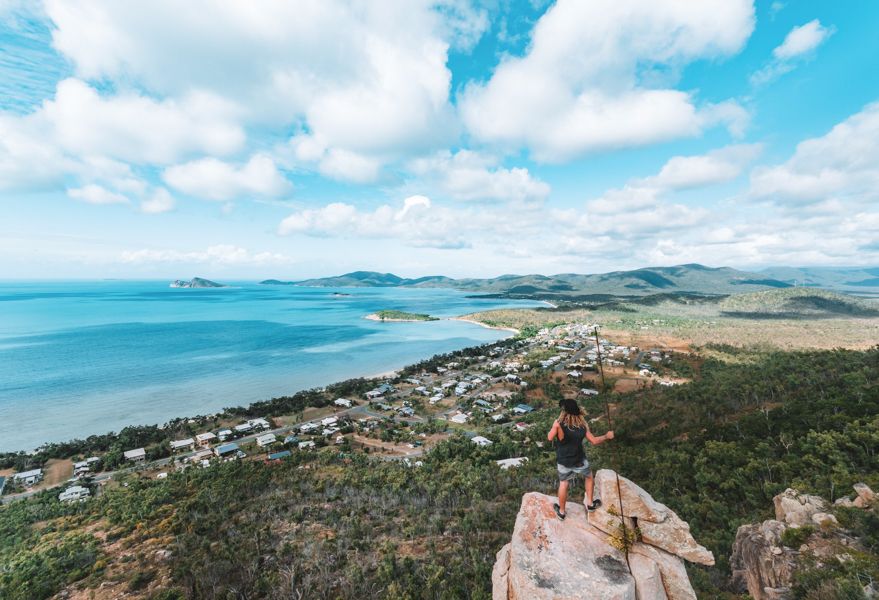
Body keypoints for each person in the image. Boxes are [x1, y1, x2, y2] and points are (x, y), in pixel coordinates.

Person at [547, 398, 614, 520]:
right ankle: (590, 503)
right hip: (579, 460)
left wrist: (554, 426)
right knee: (589, 477)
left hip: (564, 461)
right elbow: (594, 441)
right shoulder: (583, 426)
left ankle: (561, 512)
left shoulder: (559, 424)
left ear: (564, 412)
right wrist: (606, 436)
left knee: (564, 483)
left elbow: (550, 437)